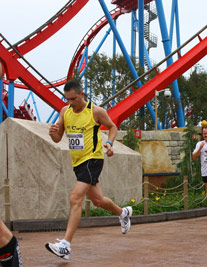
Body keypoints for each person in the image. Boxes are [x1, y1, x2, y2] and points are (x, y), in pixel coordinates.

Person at [46, 79, 132, 260]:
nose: (70, 103)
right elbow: (57, 138)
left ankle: (65, 246)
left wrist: (109, 143)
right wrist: (53, 132)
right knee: (98, 200)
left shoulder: (96, 112)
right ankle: (123, 213)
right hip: (77, 163)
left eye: (74, 99)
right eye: (67, 99)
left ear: (82, 94)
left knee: (75, 198)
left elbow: (112, 126)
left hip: (93, 159)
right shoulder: (65, 112)